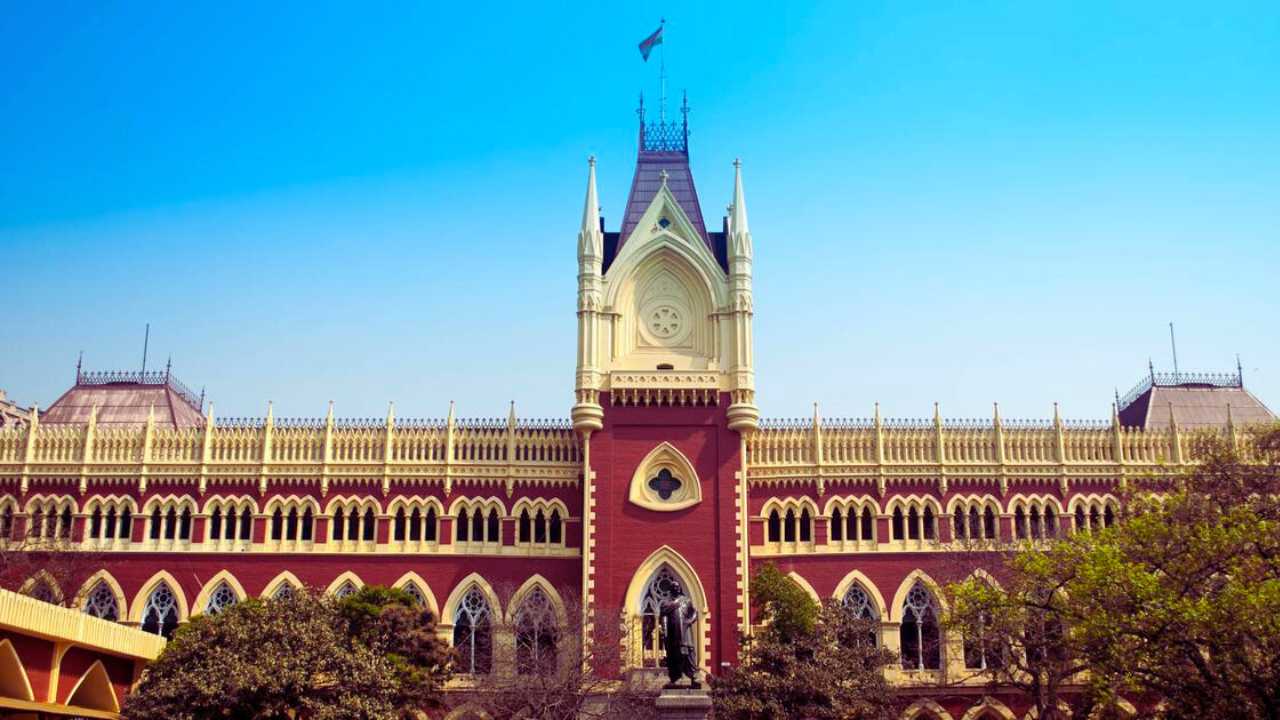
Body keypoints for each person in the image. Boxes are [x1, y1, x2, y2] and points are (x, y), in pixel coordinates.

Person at [659, 580, 699, 688]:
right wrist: (664, 632)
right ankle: (675, 678)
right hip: (673, 634)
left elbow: (694, 613)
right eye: (674, 587)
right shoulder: (665, 603)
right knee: (674, 655)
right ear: (670, 589)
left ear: (680, 588)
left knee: (689, 653)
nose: (676, 588)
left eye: (677, 587)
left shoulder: (686, 601)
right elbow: (663, 616)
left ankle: (693, 676)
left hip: (686, 633)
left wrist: (689, 621)